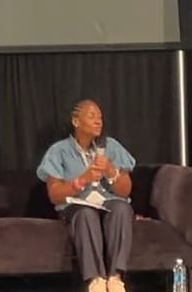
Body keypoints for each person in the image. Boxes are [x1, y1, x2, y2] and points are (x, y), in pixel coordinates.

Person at [37, 100, 136, 292]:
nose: (98, 121)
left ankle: (115, 277)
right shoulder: (59, 151)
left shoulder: (111, 146)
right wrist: (82, 180)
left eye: (100, 117)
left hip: (108, 203)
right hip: (77, 206)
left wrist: (111, 171)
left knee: (122, 208)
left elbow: (125, 191)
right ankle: (95, 280)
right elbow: (55, 194)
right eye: (92, 116)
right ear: (76, 121)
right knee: (85, 213)